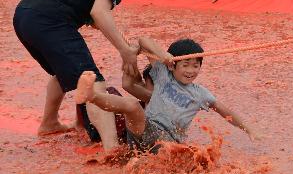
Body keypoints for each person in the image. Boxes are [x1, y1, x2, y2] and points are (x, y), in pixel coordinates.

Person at [12, 0, 169, 150]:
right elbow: (99, 12)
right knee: (94, 82)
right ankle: (111, 149)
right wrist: (125, 51)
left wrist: (127, 47)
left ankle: (49, 123)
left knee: (63, 71)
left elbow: (94, 17)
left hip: (25, 16)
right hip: (50, 20)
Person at [74, 37, 258, 153]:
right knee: (132, 105)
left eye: (196, 65)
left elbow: (224, 111)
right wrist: (163, 55)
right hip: (144, 129)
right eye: (185, 64)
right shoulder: (163, 74)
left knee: (180, 157)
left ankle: (93, 97)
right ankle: (91, 96)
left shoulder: (200, 93)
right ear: (173, 65)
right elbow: (143, 40)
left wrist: (249, 130)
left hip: (168, 141)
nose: (191, 70)